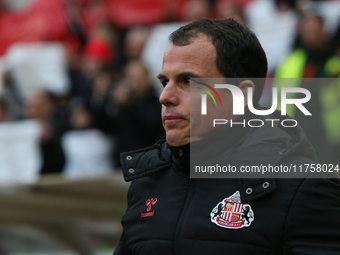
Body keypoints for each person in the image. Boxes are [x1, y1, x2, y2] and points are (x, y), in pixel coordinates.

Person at [113, 18, 340, 255]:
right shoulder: (148, 183)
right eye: (164, 82)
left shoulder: (304, 187)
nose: (165, 97)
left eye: (187, 81)